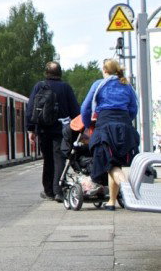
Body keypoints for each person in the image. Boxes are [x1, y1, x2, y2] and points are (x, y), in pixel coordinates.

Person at [80, 58, 139, 210]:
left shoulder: (98, 84)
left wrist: (88, 125)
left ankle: (128, 190)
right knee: (113, 162)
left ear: (105, 70)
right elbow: (133, 108)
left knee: (110, 163)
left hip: (105, 126)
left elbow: (85, 108)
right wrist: (125, 121)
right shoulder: (127, 85)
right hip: (124, 127)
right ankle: (112, 201)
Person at [26, 61, 79, 201]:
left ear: (46, 73)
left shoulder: (39, 86)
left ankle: (48, 190)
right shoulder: (65, 88)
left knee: (47, 160)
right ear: (60, 73)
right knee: (59, 158)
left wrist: (31, 129)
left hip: (43, 130)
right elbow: (75, 110)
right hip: (61, 131)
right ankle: (58, 191)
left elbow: (30, 109)